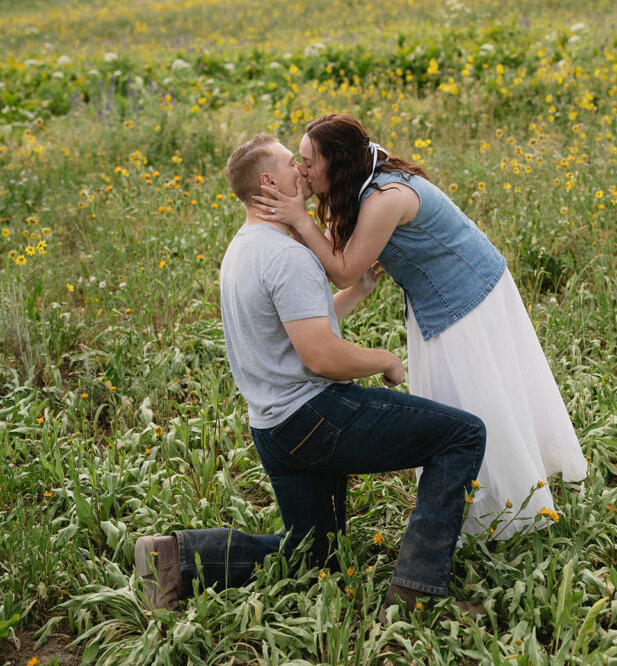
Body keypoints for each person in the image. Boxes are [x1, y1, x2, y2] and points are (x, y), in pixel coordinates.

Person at [136, 133, 486, 620]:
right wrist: (384, 359)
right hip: (316, 418)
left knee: (312, 552)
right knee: (463, 435)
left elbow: (299, 332)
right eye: (290, 162)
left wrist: (358, 289)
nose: (301, 170)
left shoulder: (244, 249)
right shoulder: (287, 256)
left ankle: (171, 558)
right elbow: (321, 356)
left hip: (273, 429)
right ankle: (417, 596)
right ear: (268, 181)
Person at [253, 114, 587, 539]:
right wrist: (298, 217)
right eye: (298, 161)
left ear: (338, 163)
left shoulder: (386, 197)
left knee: (479, 400)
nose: (301, 170)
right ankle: (471, 502)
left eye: (308, 162)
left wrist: (300, 220)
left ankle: (508, 510)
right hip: (435, 301)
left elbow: (344, 270)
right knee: (455, 402)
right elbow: (333, 254)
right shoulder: (354, 187)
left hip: (468, 297)